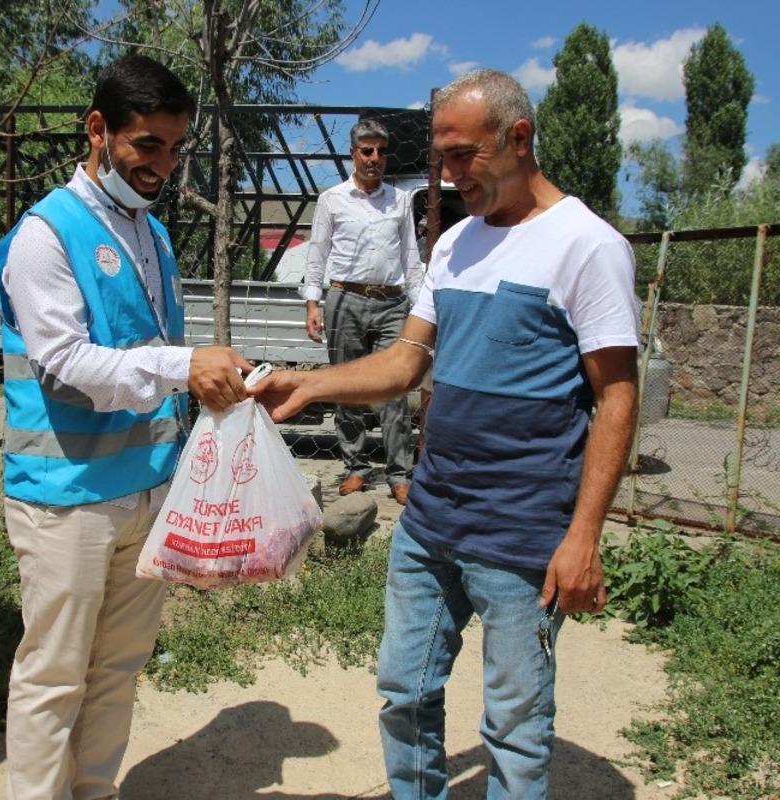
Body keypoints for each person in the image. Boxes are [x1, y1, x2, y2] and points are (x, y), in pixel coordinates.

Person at [252, 69, 639, 799]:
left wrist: (584, 536)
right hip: (431, 520)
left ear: (518, 139)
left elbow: (617, 394)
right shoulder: (457, 244)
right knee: (404, 693)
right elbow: (406, 361)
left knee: (516, 729)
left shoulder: (587, 246)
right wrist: (309, 383)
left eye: (464, 155)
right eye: (440, 159)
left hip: (524, 534)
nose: (450, 175)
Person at [0, 55, 250, 800]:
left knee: (117, 669)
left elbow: (154, 354)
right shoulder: (47, 234)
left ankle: (93, 791)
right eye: (146, 145)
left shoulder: (152, 235)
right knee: (54, 674)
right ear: (98, 130)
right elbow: (65, 364)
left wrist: (210, 386)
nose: (161, 164)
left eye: (173, 147)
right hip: (66, 496)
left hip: (143, 492)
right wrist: (182, 365)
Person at [301, 119, 424, 505]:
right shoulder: (332, 199)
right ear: (353, 153)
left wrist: (421, 308)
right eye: (367, 150)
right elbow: (317, 252)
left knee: (394, 389)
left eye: (381, 152)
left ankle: (400, 473)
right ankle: (355, 467)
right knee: (347, 387)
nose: (374, 158)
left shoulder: (400, 200)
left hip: (391, 302)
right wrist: (311, 302)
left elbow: (410, 258)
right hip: (345, 300)